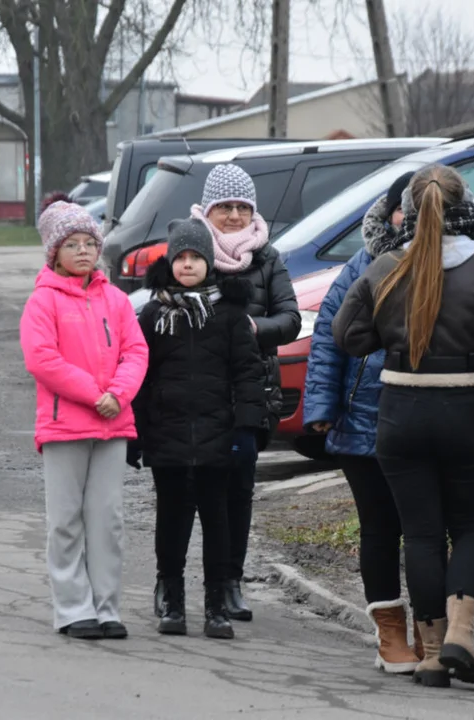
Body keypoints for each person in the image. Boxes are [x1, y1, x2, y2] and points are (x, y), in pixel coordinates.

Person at [332, 165, 474, 688]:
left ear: (409, 209)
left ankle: (429, 656)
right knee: (469, 527)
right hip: (465, 410)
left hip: (401, 411)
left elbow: (347, 335)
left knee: (421, 534)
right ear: (463, 208)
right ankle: (460, 637)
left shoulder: (384, 268)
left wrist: (393, 337)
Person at [303, 172, 423, 674]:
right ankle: (390, 635)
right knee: (380, 528)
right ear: (391, 211)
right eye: (404, 208)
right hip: (363, 425)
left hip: (426, 422)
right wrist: (321, 410)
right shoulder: (361, 267)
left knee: (424, 530)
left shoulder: (457, 264)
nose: (410, 219)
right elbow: (329, 342)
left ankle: (432, 634)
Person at [19, 192, 149, 640]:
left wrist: (119, 393)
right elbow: (42, 360)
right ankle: (74, 609)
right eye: (72, 244)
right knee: (66, 519)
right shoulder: (43, 301)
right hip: (65, 427)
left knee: (107, 519)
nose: (83, 252)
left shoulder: (115, 299)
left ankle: (107, 607)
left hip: (113, 425)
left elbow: (136, 350)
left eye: (89, 244)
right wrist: (97, 395)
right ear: (55, 252)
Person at [131, 218, 266, 640]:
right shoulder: (153, 314)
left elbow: (248, 373)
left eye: (196, 258)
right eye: (180, 258)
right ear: (169, 263)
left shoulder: (229, 315)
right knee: (171, 521)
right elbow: (139, 374)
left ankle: (215, 606)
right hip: (167, 435)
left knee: (217, 521)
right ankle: (171, 598)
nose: (187, 265)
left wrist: (247, 428)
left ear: (211, 263)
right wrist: (135, 432)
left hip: (217, 436)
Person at [180, 163, 301, 621]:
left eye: (241, 207)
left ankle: (232, 581)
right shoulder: (191, 252)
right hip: (200, 392)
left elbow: (290, 319)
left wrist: (252, 327)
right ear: (207, 210)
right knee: (193, 488)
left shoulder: (268, 257)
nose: (233, 216)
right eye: (224, 207)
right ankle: (190, 582)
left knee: (240, 489)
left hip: (250, 391)